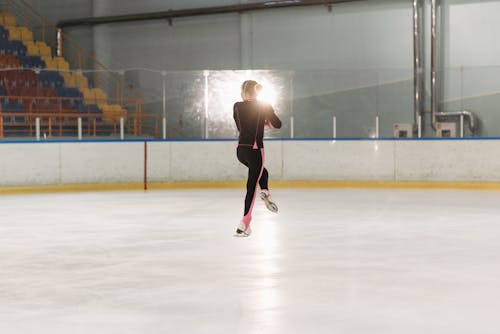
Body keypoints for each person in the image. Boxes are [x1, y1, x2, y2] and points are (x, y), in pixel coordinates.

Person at [233, 80, 282, 237]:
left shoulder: (237, 106)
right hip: (255, 150)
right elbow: (278, 124)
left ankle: (265, 191)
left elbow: (241, 127)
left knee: (261, 171)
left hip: (241, 151)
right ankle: (245, 223)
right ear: (257, 92)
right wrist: (267, 115)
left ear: (243, 93)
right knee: (251, 187)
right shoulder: (263, 106)